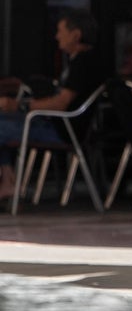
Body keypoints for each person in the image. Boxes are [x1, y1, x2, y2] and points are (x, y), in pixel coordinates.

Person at [0, 10, 108, 200]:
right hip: (56, 123)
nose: (56, 36)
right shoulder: (77, 61)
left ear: (76, 34)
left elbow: (61, 103)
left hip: (64, 130)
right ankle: (8, 179)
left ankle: (8, 181)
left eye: (61, 31)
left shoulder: (83, 62)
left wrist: (21, 106)